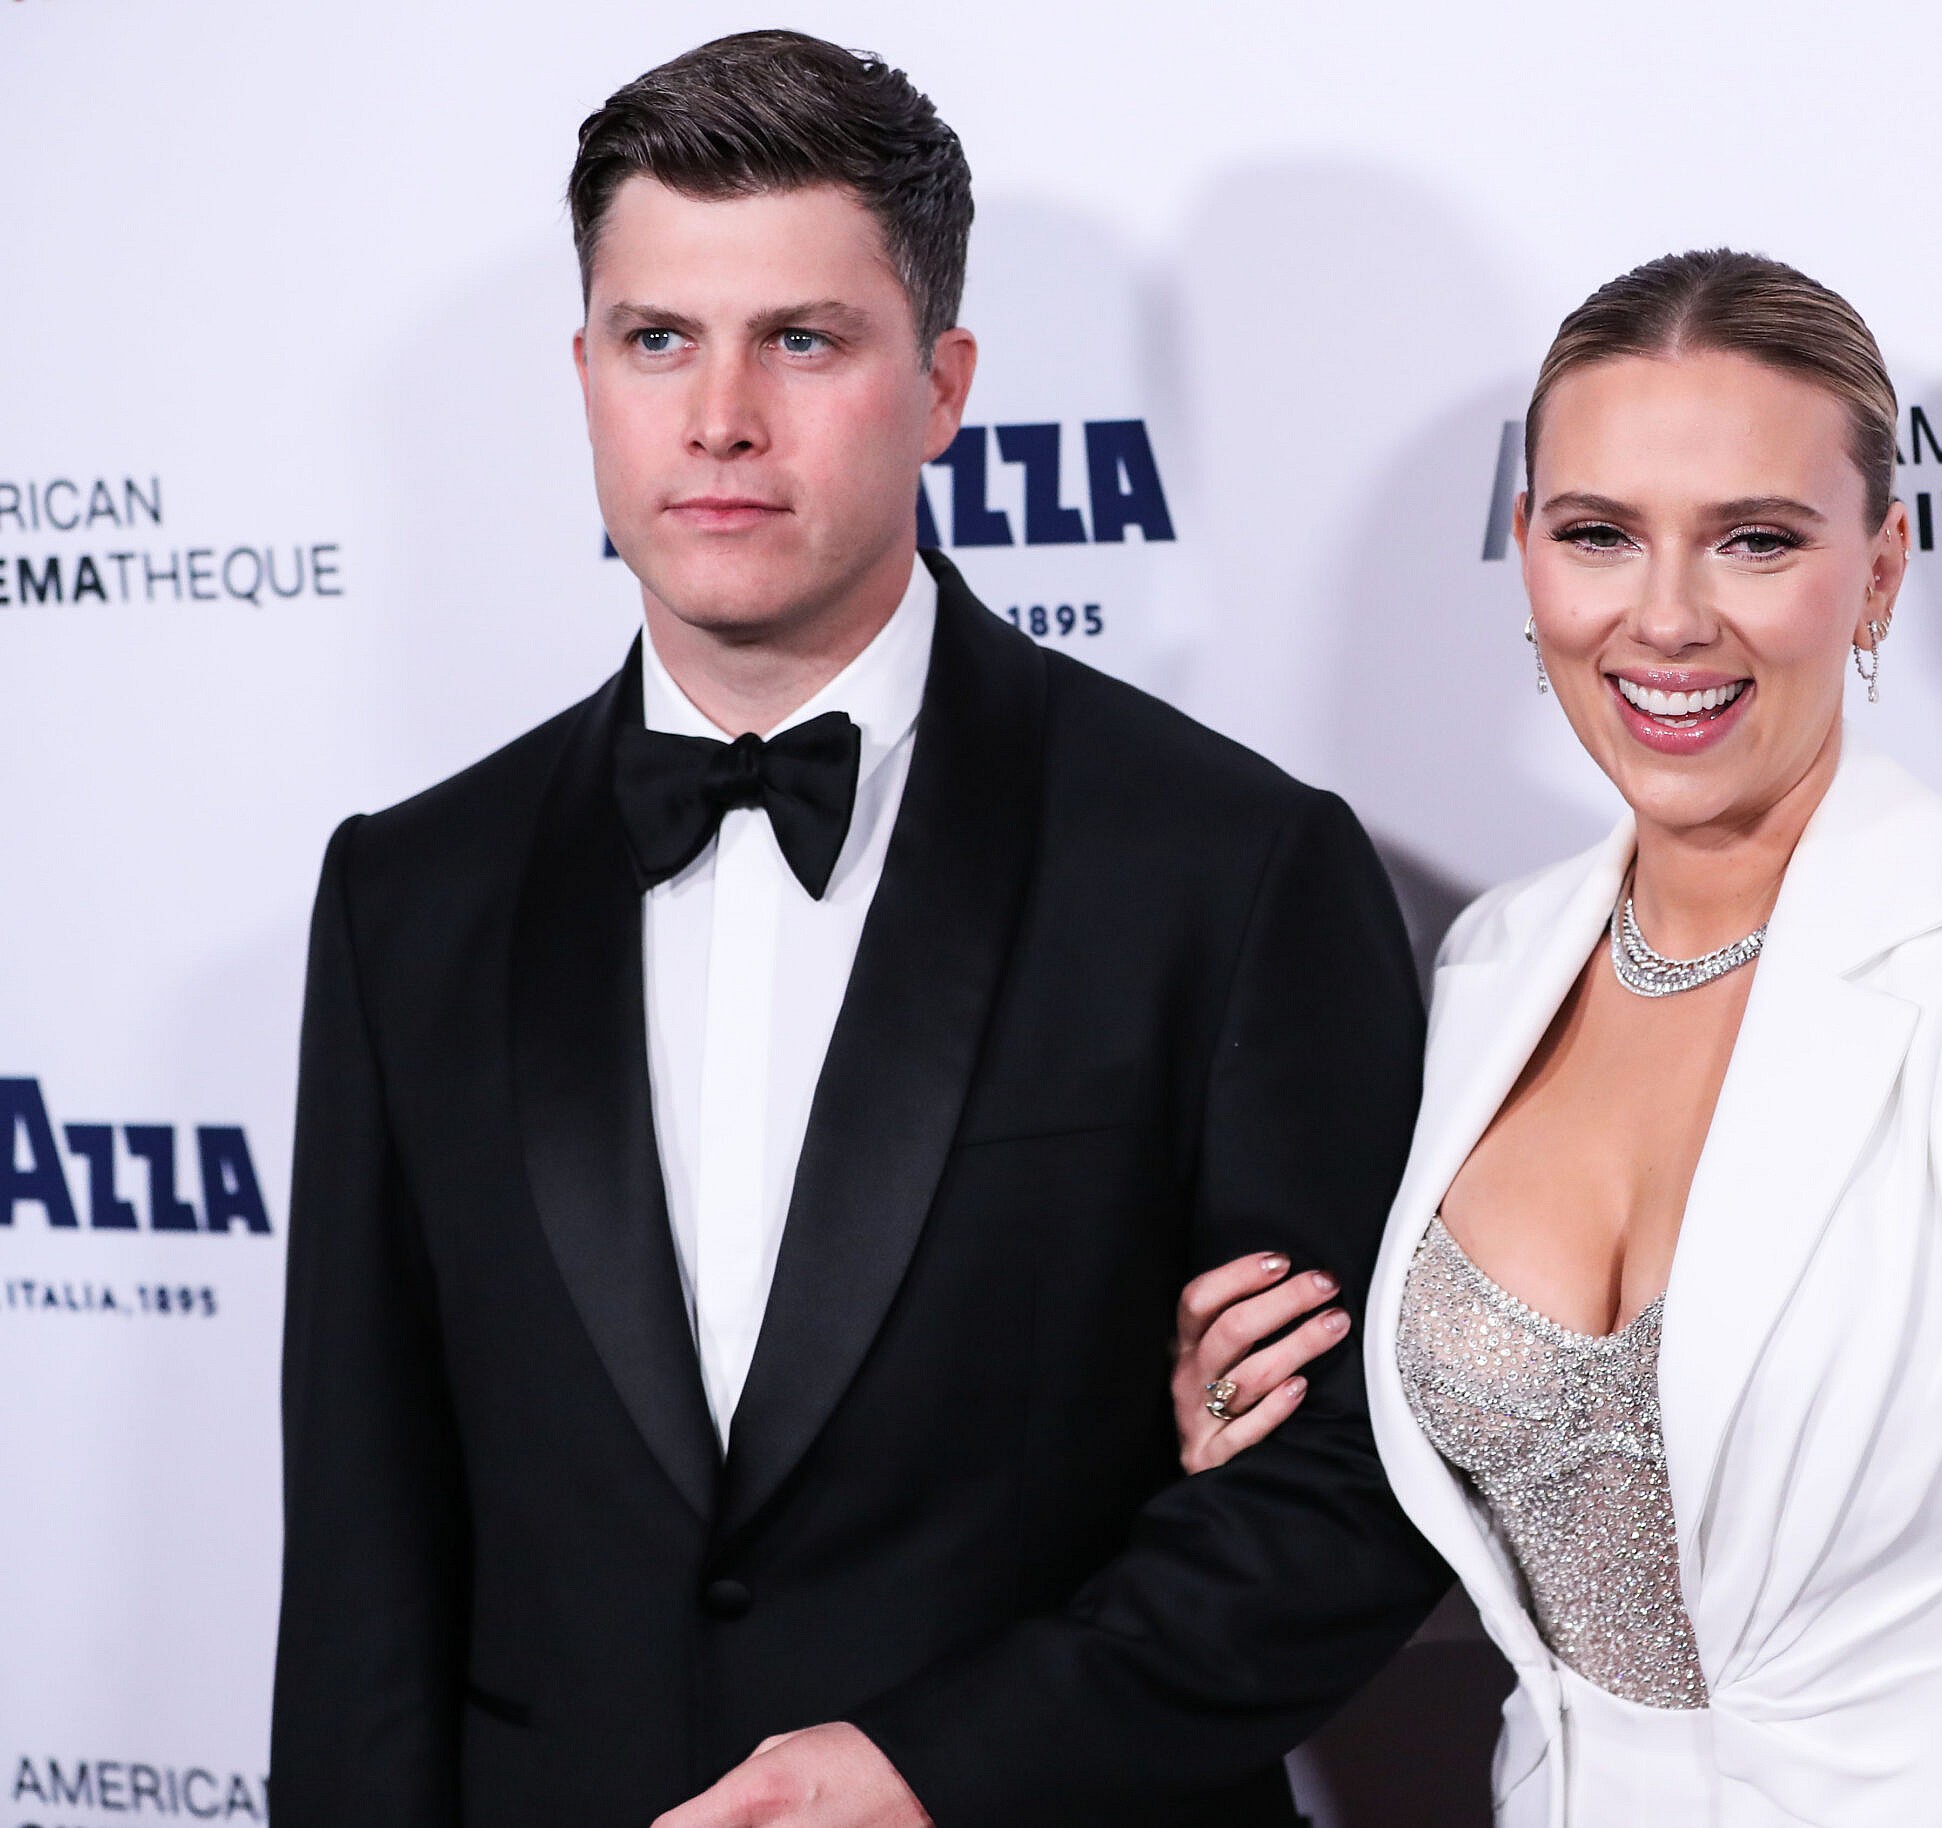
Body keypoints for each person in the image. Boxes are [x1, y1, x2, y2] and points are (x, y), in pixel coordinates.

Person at [269, 31, 1445, 1828]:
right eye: (659, 339)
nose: (719, 418)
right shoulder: (407, 896)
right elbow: (360, 1557)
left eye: (801, 342)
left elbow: (1354, 1496)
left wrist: (939, 1765)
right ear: (584, 372)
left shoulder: (1226, 865)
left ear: (944, 383)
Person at [1179, 250, 1942, 1825]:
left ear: (1882, 569)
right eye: (1599, 536)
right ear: (1528, 560)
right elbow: (1534, 1555)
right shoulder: (1494, 963)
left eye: (1756, 539)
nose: (1669, 617)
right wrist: (1243, 1439)